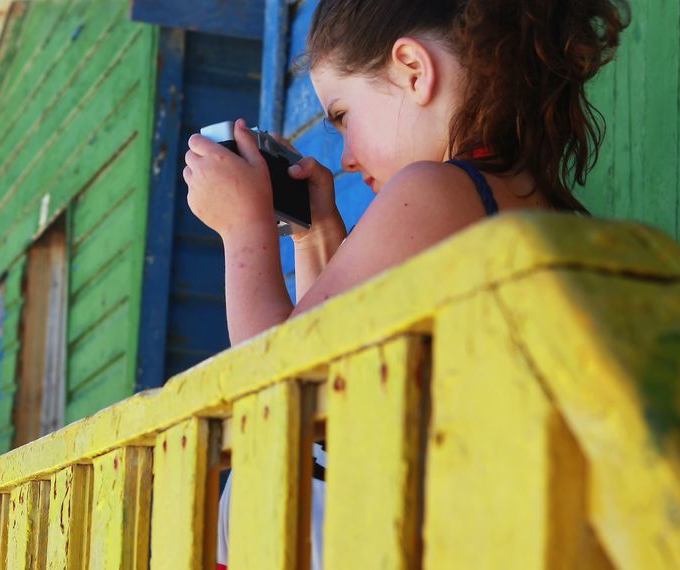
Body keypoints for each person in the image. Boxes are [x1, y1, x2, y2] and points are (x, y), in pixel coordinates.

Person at [185, 0, 629, 567]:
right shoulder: (524, 203)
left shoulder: (437, 190)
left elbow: (278, 394)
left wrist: (243, 228)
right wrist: (316, 236)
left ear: (414, 70)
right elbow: (331, 373)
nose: (344, 158)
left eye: (343, 116)